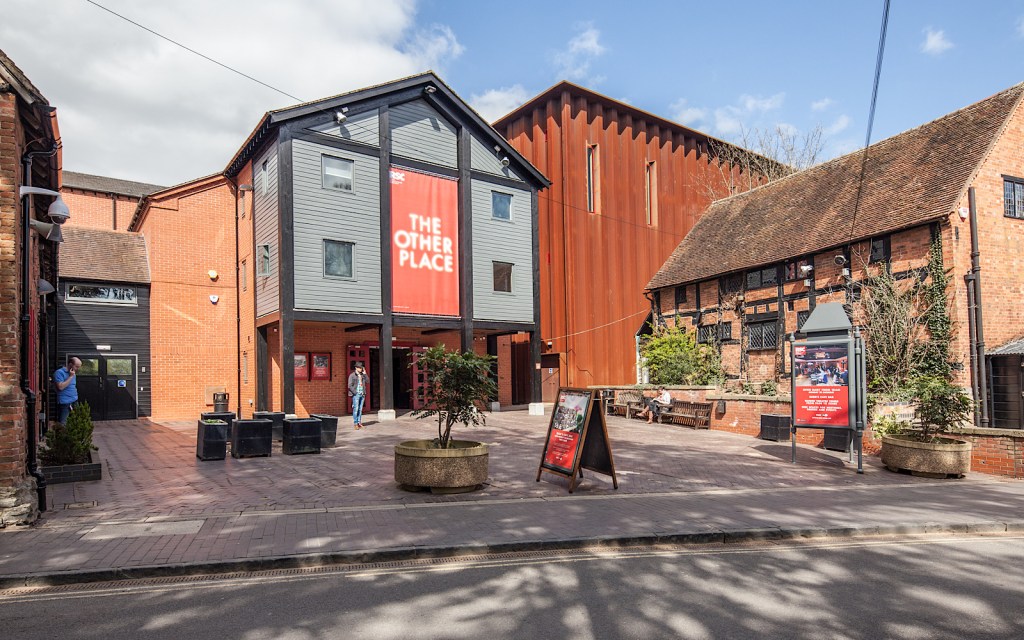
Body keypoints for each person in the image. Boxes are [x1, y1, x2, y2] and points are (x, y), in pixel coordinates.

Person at [54, 356, 82, 425]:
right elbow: (60, 387)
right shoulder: (59, 373)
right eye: (76, 366)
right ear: (70, 364)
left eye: (79, 367)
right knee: (63, 423)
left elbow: (72, 386)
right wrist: (70, 377)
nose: (78, 369)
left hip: (74, 400)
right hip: (65, 402)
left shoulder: (73, 373)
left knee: (77, 421)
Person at [348, 361, 368, 430]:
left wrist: (365, 374)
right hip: (356, 394)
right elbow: (349, 385)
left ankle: (359, 423)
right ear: (356, 368)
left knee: (360, 409)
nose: (361, 369)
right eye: (359, 368)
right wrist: (355, 392)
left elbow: (368, 381)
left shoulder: (363, 375)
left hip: (362, 394)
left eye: (361, 368)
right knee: (356, 409)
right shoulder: (352, 375)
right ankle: (355, 423)